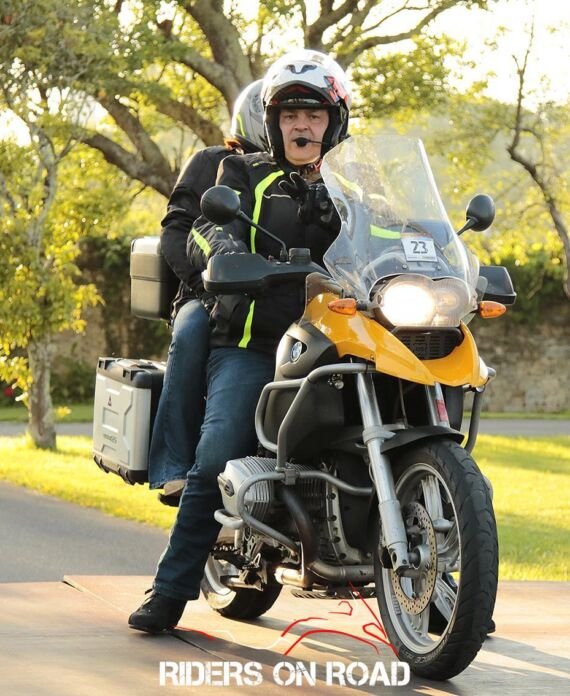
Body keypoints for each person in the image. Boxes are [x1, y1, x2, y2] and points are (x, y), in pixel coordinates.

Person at [128, 49, 352, 632]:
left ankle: (449, 592)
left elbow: (395, 232)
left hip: (344, 343)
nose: (302, 126)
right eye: (290, 116)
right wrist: (226, 253)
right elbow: (203, 228)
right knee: (215, 456)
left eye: (314, 115)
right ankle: (170, 590)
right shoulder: (241, 173)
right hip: (256, 340)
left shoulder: (354, 185)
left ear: (335, 121)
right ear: (273, 123)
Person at [147, 80, 267, 505]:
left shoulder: (315, 174)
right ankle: (175, 465)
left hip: (282, 296)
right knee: (192, 329)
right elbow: (176, 233)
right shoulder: (213, 162)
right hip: (207, 291)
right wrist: (209, 288)